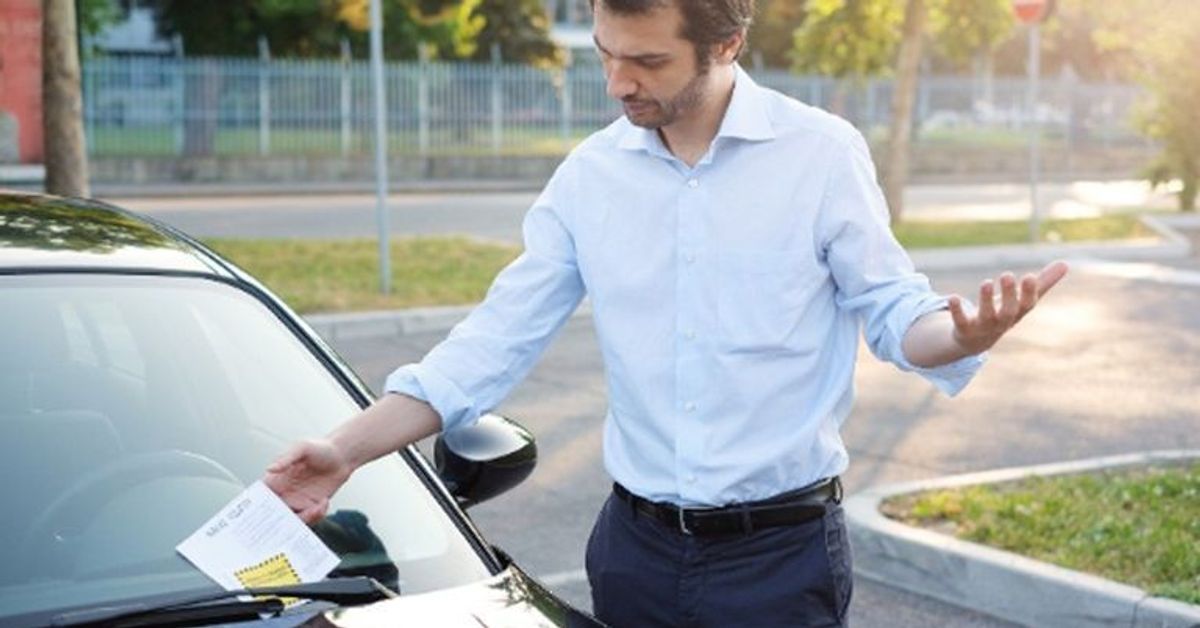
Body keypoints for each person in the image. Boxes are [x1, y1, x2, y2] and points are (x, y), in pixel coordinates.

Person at [264, 0, 1069, 626]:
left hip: (781, 565)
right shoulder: (589, 177)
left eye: (647, 61)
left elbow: (897, 314)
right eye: (607, 54)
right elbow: (488, 346)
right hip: (633, 556)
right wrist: (344, 450)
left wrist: (962, 332)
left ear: (726, 45)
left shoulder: (820, 155)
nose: (618, 83)